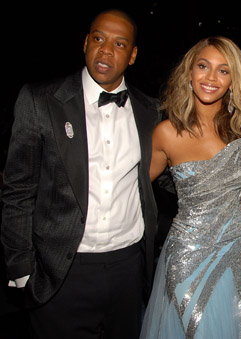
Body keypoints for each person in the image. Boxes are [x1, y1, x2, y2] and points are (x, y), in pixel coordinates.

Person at [1, 9, 164, 339]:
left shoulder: (151, 110)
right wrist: (22, 270)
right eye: (99, 39)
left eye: (119, 44)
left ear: (132, 56)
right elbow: (17, 190)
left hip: (129, 270)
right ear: (86, 42)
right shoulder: (40, 100)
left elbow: (166, 175)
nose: (106, 50)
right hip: (60, 273)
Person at [140, 36, 241, 339]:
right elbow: (134, 189)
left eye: (223, 70)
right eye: (203, 66)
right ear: (189, 73)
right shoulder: (167, 132)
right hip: (188, 256)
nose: (211, 78)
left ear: (234, 79)